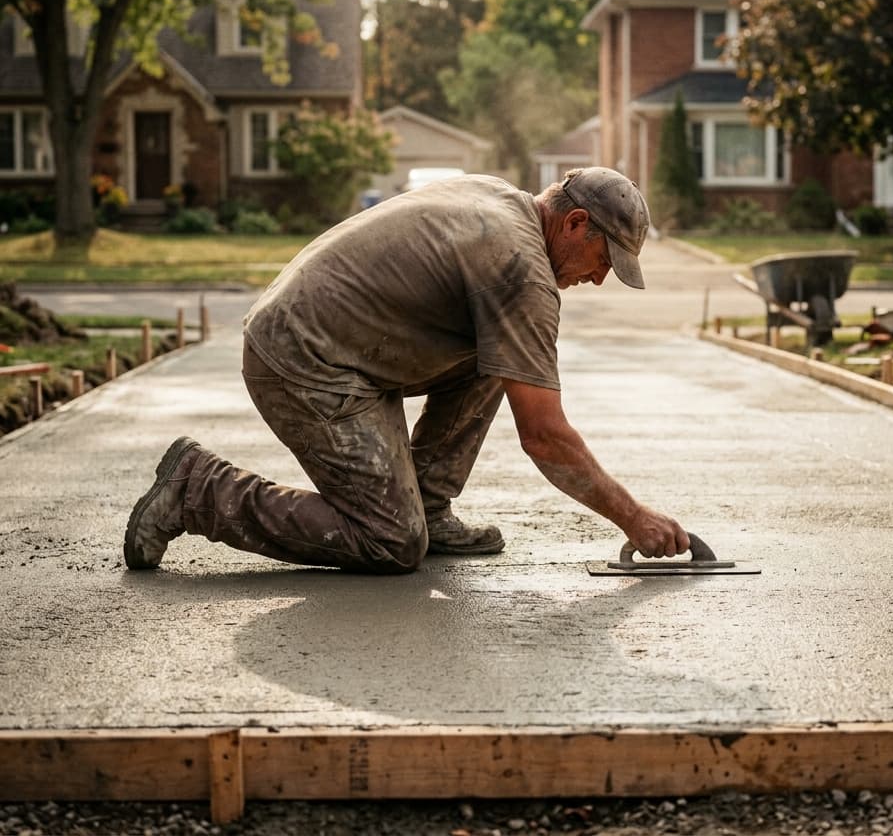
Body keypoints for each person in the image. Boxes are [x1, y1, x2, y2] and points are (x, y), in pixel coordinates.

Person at [123, 167, 690, 574]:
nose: (599, 279)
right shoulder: (520, 271)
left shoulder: (501, 200)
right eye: (604, 261)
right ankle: (198, 489)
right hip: (303, 359)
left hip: (332, 338)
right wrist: (633, 517)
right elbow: (543, 435)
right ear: (575, 222)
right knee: (390, 540)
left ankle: (429, 503)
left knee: (508, 355)